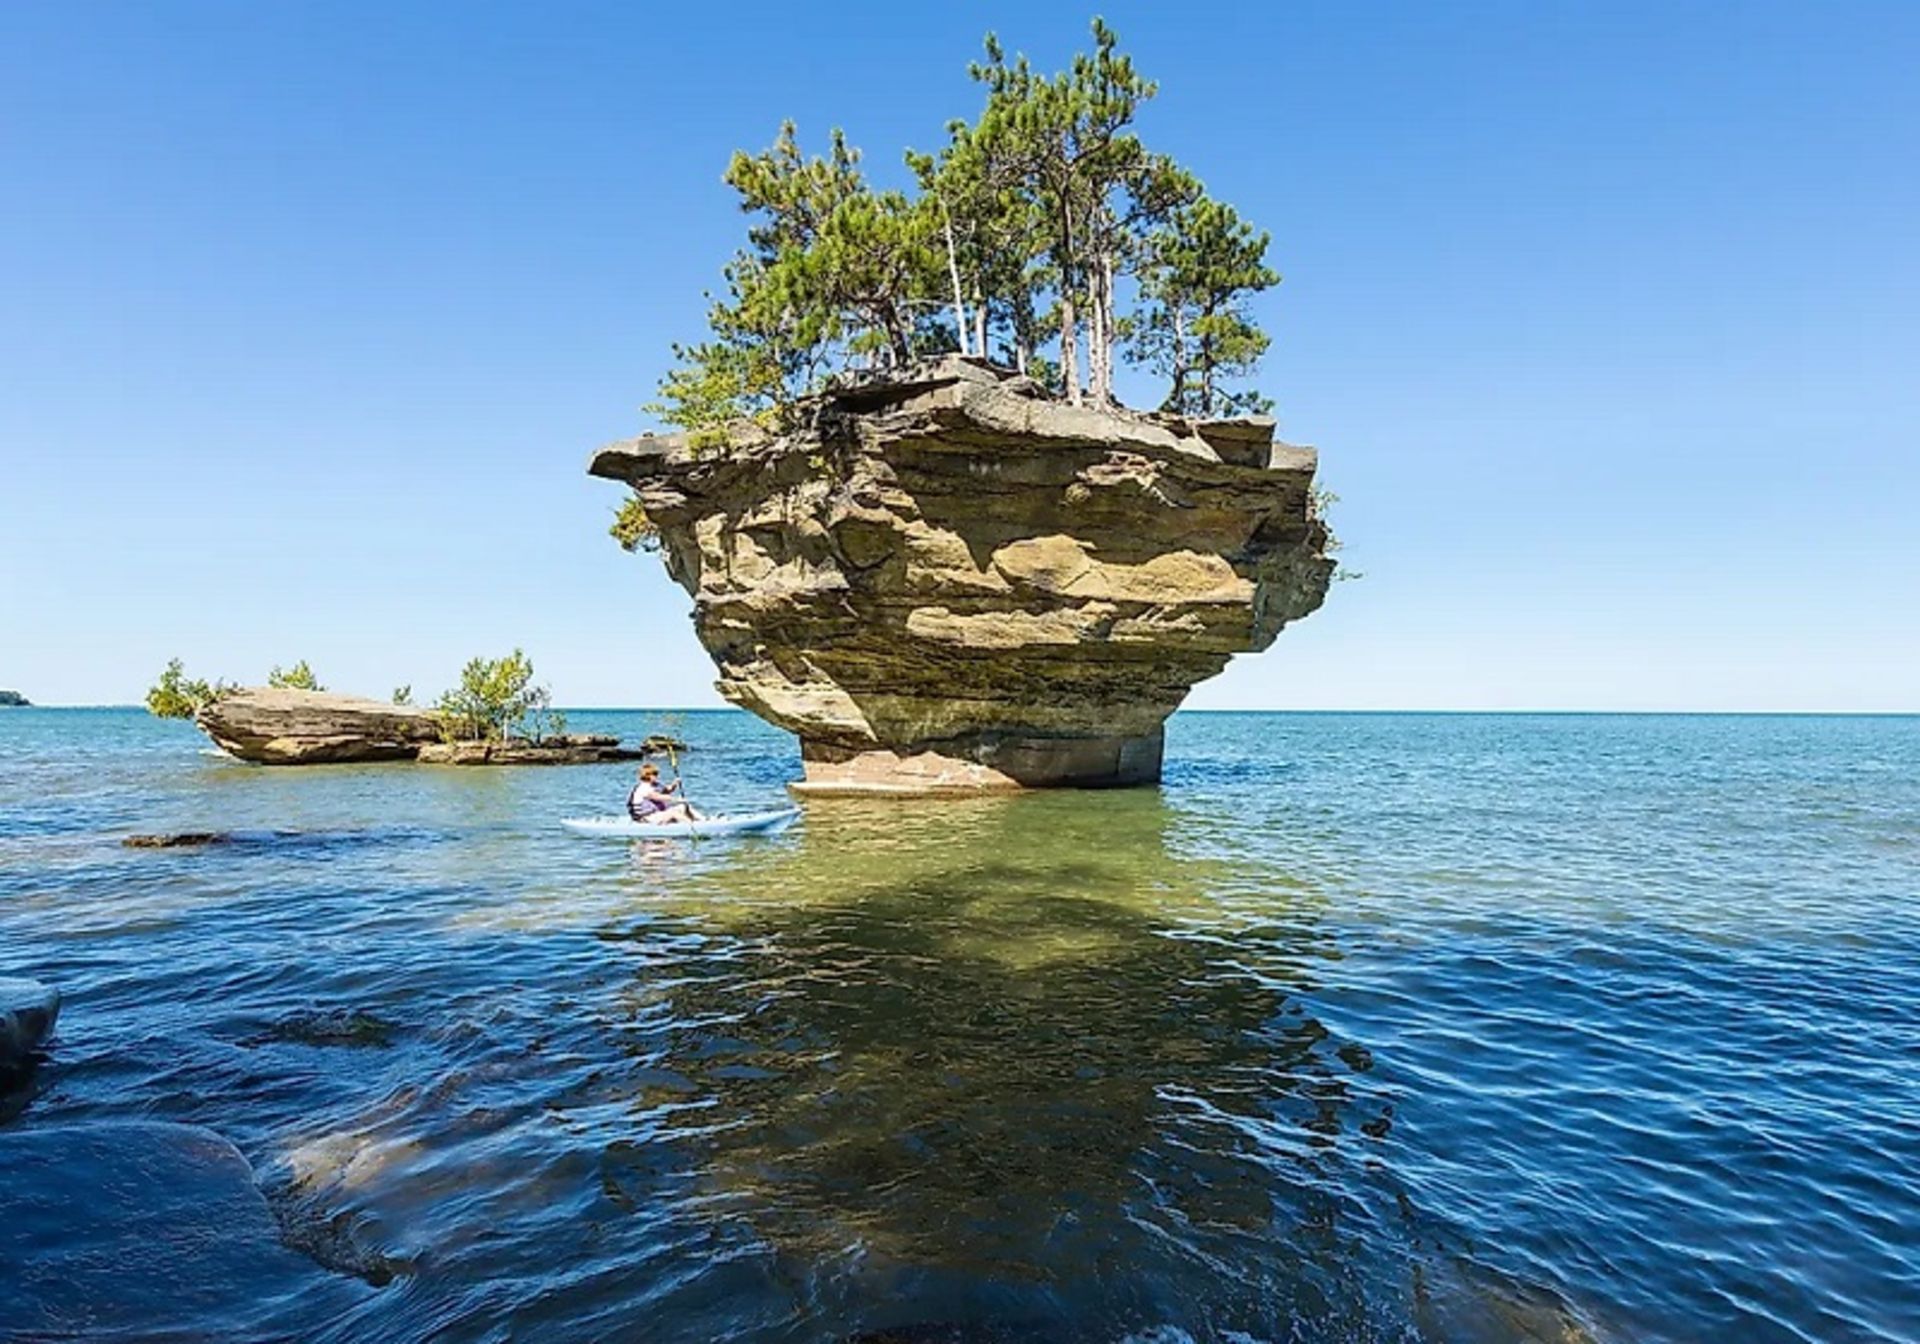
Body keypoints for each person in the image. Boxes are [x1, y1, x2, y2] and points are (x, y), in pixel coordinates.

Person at [627, 762, 702, 825]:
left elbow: (667, 791)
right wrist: (677, 799)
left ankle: (701, 821)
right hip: (646, 818)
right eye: (655, 774)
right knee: (673, 813)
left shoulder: (654, 784)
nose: (657, 776)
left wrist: (674, 784)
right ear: (647, 775)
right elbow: (659, 797)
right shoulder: (643, 788)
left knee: (682, 807)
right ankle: (690, 826)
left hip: (657, 814)